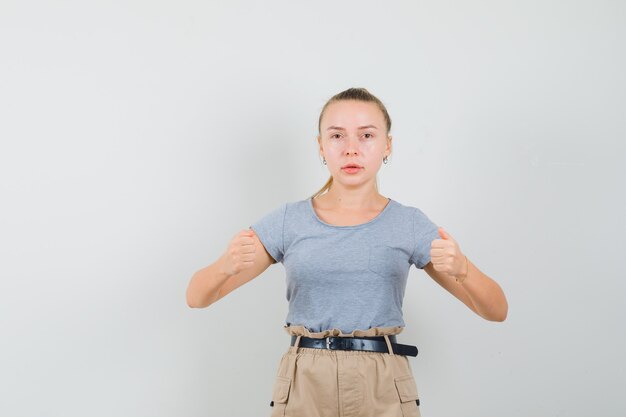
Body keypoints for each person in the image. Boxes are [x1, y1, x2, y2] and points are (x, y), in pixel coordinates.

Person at [186, 87, 508, 417]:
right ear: (321, 146)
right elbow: (197, 297)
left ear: (387, 146)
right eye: (337, 136)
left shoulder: (408, 223)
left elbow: (496, 310)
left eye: (366, 135)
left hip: (382, 381)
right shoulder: (288, 221)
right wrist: (225, 265)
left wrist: (463, 269)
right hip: (305, 381)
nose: (351, 149)